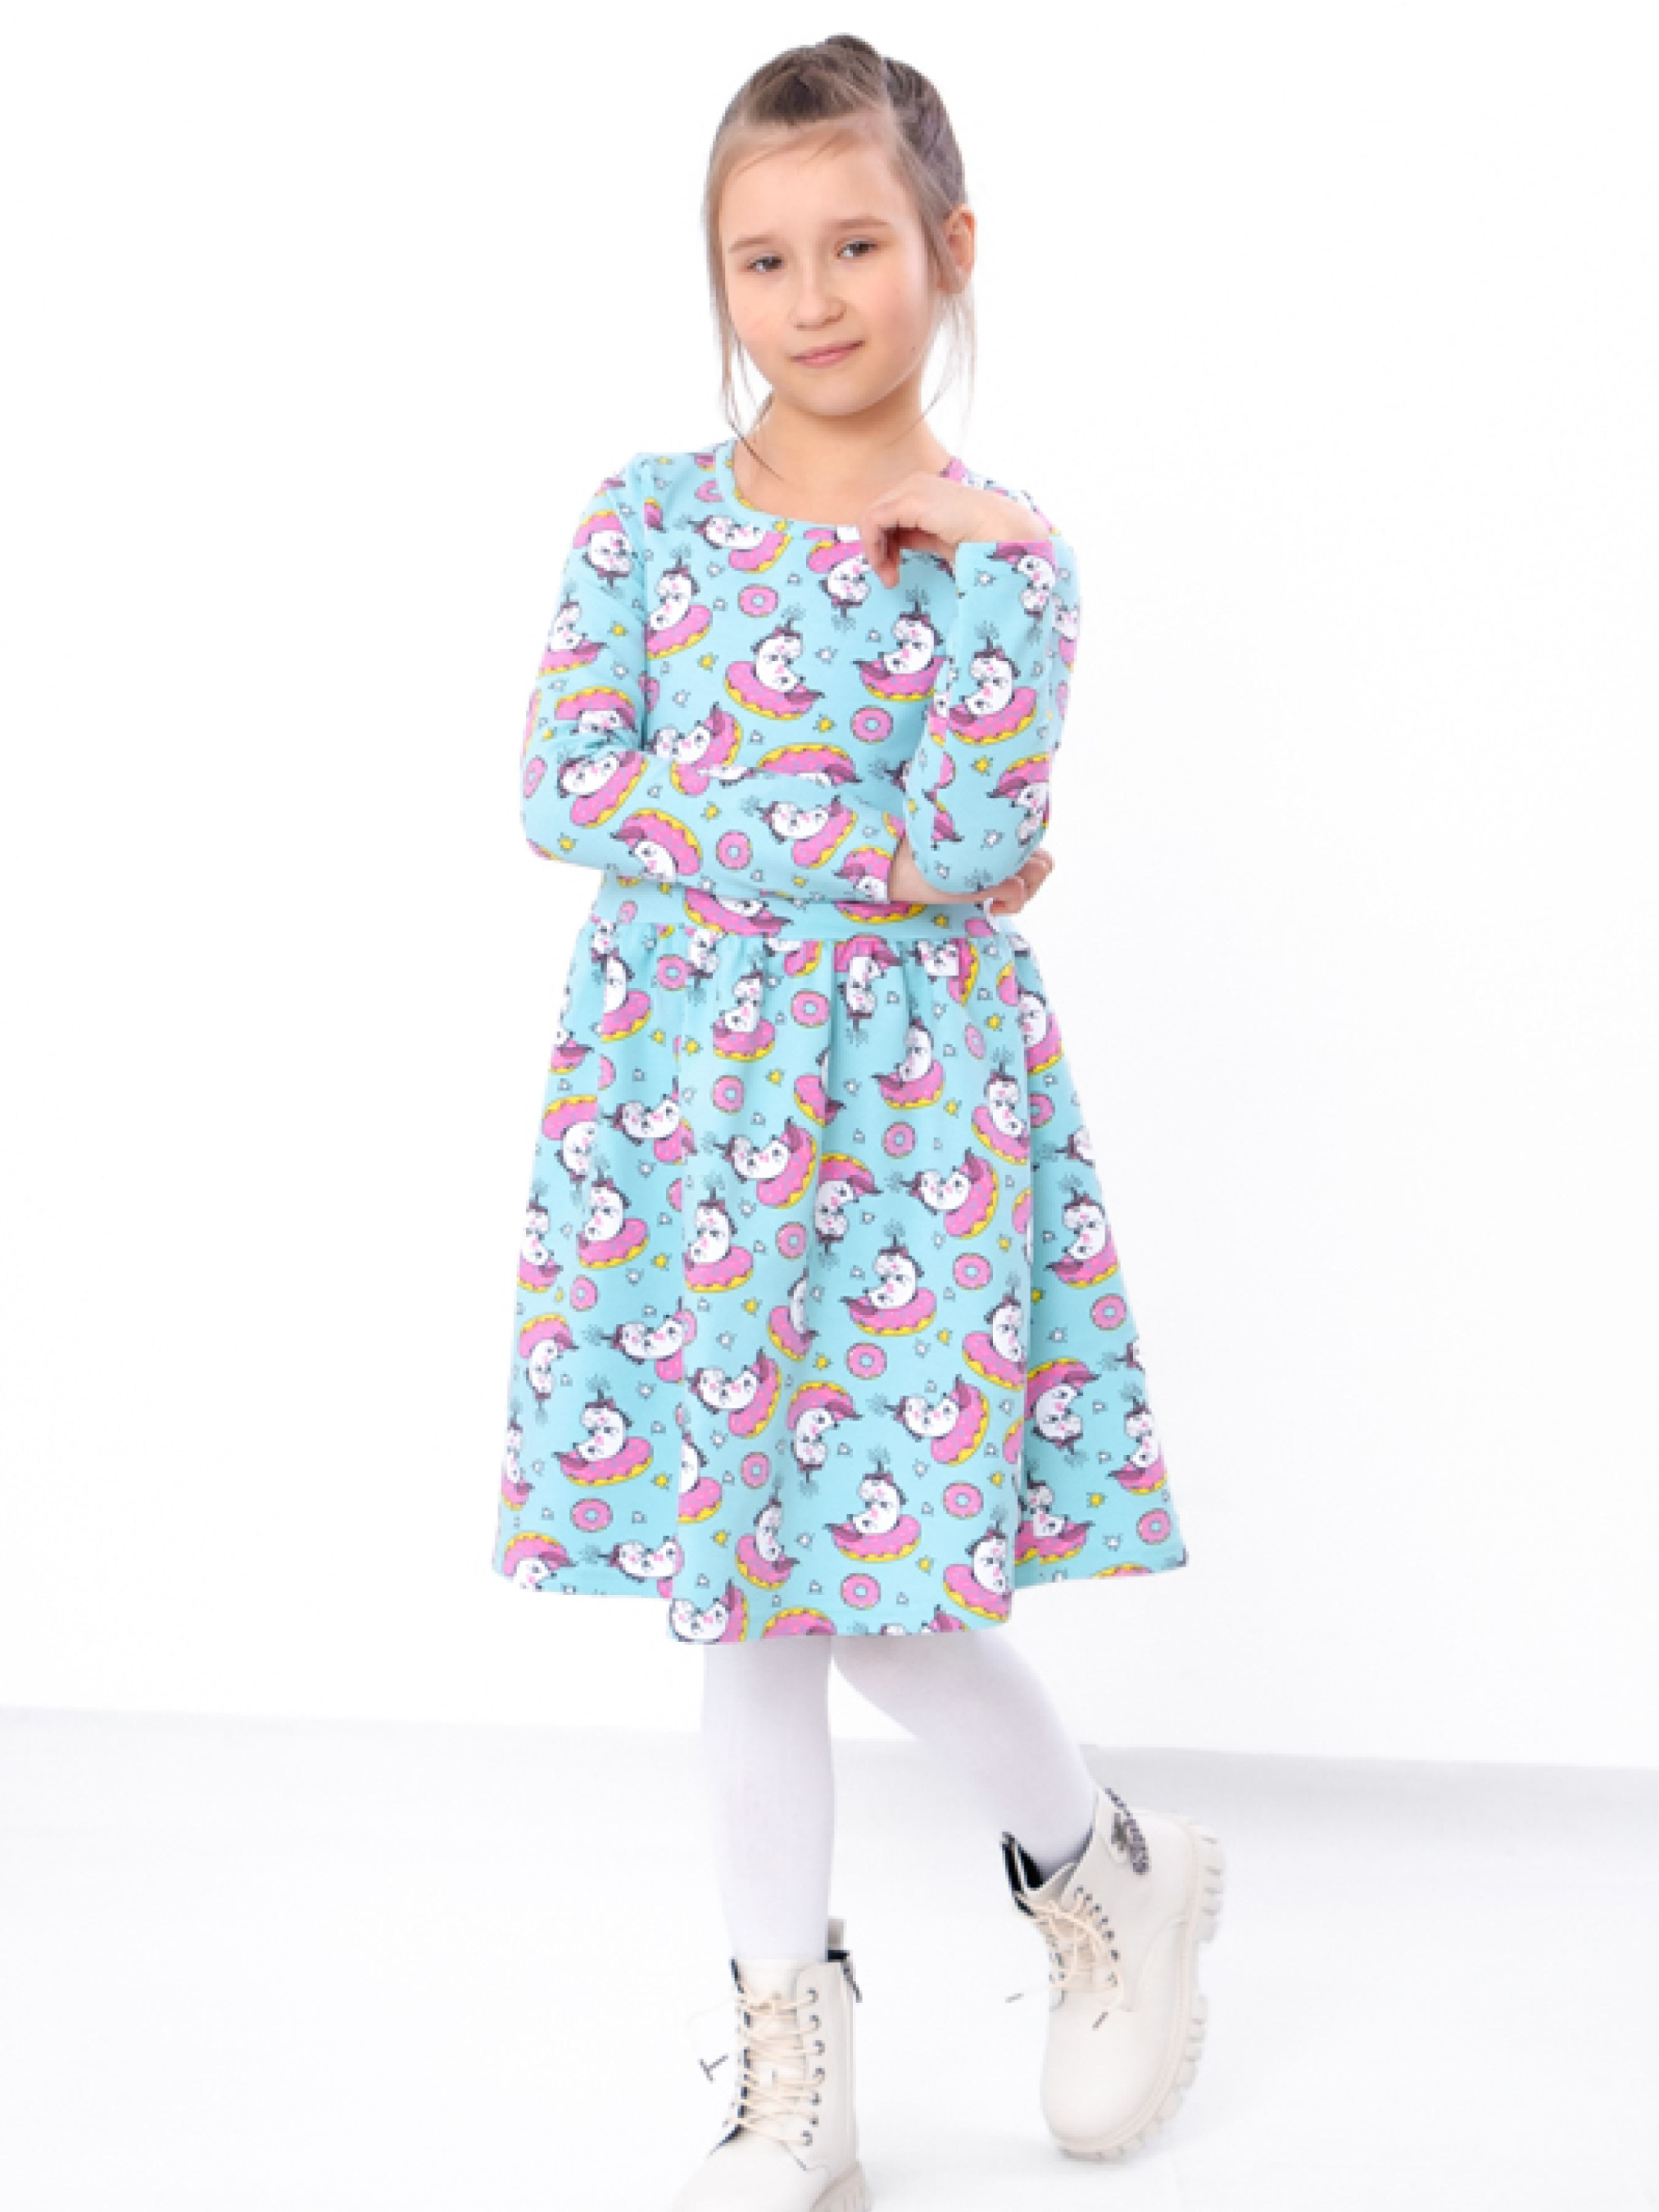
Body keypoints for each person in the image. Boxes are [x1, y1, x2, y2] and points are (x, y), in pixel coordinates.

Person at [490, 33, 1225, 2206]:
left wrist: (863, 810)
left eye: (855, 247)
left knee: (877, 1571)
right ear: (714, 275)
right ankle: (784, 2039)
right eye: (761, 258)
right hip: (684, 1118)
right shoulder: (644, 519)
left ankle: (1101, 1865)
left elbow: (968, 840)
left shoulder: (1001, 556)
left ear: (946, 248)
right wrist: (864, 850)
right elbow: (566, 786)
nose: (810, 299)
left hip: (903, 1120)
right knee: (744, 1593)